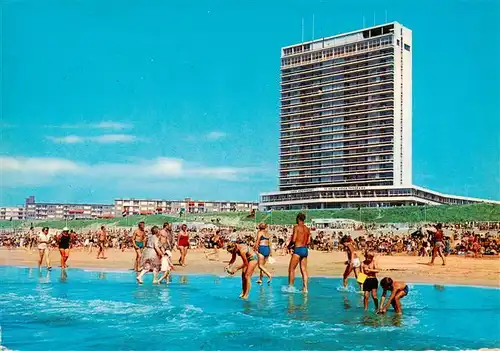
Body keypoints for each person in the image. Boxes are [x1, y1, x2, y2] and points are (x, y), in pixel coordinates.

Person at [288, 213, 311, 293]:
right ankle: (305, 288)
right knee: (304, 270)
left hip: (298, 249)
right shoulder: (307, 229)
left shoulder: (296, 227)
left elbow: (294, 239)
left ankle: (290, 287)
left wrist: (289, 245)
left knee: (291, 269)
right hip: (305, 249)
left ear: (298, 219)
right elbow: (308, 241)